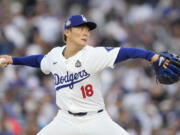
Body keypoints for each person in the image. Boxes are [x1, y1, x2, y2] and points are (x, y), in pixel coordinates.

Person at [0, 14, 171, 135]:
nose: (85, 33)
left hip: (96, 119)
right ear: (67, 32)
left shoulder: (93, 54)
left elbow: (126, 52)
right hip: (65, 119)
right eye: (80, 28)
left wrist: (152, 56)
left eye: (87, 30)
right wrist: (13, 60)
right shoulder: (54, 55)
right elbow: (39, 60)